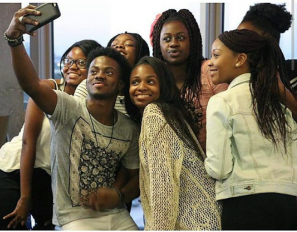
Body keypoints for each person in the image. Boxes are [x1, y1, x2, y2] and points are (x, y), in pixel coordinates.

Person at [5, 6, 140, 230]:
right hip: (73, 218)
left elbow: (136, 178)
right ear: (86, 80)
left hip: (115, 214)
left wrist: (118, 195)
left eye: (109, 72)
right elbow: (31, 84)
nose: (99, 75)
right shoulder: (68, 108)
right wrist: (14, 39)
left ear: (121, 85)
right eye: (94, 70)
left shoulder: (128, 129)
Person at [0, 11, 101, 229]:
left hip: (46, 177)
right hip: (14, 169)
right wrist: (25, 198)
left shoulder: (92, 106)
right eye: (68, 60)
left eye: (81, 62)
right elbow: (28, 143)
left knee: (45, 225)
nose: (71, 66)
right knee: (11, 224)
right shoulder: (47, 90)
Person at [205, 29, 297, 230]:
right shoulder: (282, 106)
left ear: (240, 59)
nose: (209, 62)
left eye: (216, 55)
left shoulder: (222, 101)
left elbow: (219, 168)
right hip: (290, 203)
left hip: (245, 204)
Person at [126, 56, 222, 230]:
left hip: (192, 225)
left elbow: (163, 187)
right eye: (135, 82)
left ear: (163, 85)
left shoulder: (154, 114)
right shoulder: (171, 114)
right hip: (207, 221)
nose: (141, 87)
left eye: (150, 81)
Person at [151, 9, 228, 153]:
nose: (173, 43)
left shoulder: (209, 71)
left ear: (192, 41)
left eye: (180, 38)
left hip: (213, 161)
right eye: (167, 39)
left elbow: (229, 116)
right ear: (158, 43)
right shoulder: (154, 79)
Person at [75, 32, 150, 115]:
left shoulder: (141, 90)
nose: (119, 46)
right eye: (114, 44)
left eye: (128, 44)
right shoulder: (90, 85)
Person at [237, 3, 297, 92]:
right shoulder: (238, 75)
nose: (236, 42)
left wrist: (282, 93)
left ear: (270, 42)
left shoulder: (292, 73)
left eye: (245, 38)